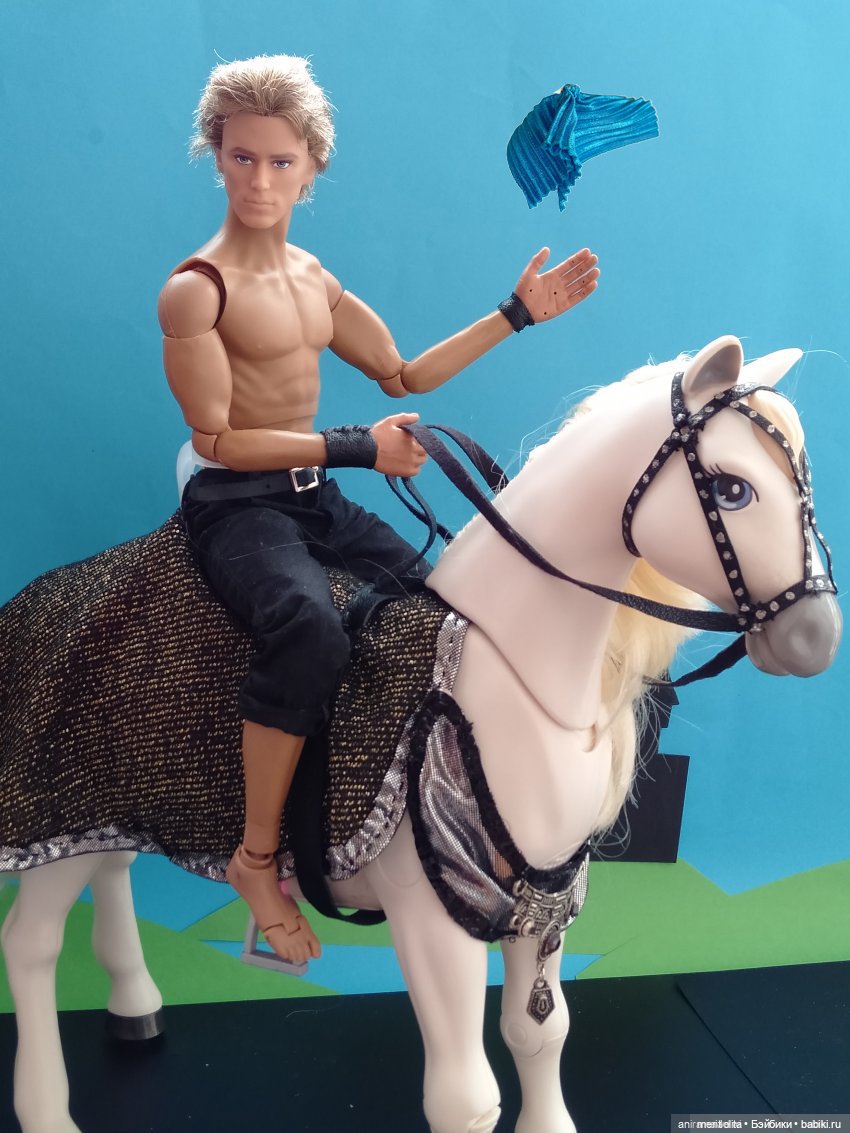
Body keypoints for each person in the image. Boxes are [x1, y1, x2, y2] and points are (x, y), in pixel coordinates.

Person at [159, 54, 600, 966]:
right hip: (235, 504)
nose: (259, 180)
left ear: (311, 169)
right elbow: (218, 439)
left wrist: (514, 314)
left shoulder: (315, 282)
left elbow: (403, 376)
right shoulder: (195, 290)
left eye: (281, 162)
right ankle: (255, 858)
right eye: (242, 158)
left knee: (448, 606)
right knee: (308, 628)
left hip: (312, 495)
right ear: (216, 155)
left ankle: (427, 812)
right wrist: (358, 447)